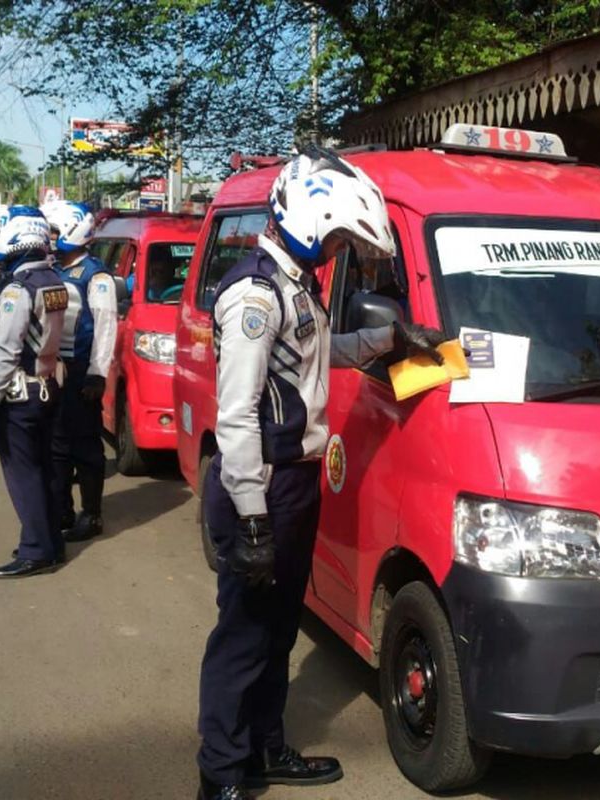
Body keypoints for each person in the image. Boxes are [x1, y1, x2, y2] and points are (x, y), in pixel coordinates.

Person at [196, 146, 447, 800]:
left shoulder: (295, 288)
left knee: (277, 634)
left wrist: (388, 342)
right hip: (262, 487)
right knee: (243, 639)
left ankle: (264, 751)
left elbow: (316, 355)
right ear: (310, 220)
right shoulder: (254, 295)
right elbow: (237, 417)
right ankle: (220, 775)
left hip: (294, 485)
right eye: (337, 236)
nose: (338, 249)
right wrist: (252, 516)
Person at [0, 206, 68, 580]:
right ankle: (50, 541)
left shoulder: (18, 289)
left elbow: (6, 348)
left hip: (18, 394)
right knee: (43, 468)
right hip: (47, 387)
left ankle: (36, 549)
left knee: (23, 473)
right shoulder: (54, 282)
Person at [41, 200, 117, 542]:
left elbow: (105, 326)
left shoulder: (95, 275)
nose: (51, 238)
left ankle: (92, 514)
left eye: (55, 231)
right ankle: (61, 510)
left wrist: (97, 373)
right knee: (55, 445)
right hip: (54, 370)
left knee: (85, 447)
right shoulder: (54, 270)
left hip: (82, 370)